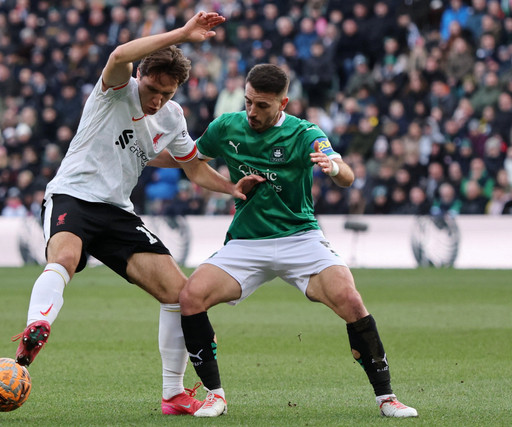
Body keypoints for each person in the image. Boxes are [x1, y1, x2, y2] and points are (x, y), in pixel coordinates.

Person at [11, 11, 263, 416]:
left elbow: (192, 164)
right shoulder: (115, 88)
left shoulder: (173, 117)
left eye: (167, 93)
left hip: (117, 212)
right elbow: (120, 53)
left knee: (179, 294)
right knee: (65, 258)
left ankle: (173, 394)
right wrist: (183, 32)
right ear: (140, 76)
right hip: (73, 196)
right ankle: (37, 326)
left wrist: (231, 188)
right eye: (152, 88)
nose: (157, 99)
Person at [178, 64, 418, 418]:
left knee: (350, 300)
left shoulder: (305, 133)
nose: (252, 112)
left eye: (262, 105)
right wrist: (150, 157)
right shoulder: (225, 127)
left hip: (300, 237)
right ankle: (215, 395)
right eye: (248, 102)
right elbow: (192, 160)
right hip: (247, 240)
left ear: (283, 103)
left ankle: (387, 398)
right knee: (190, 297)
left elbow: (346, 175)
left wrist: (334, 168)